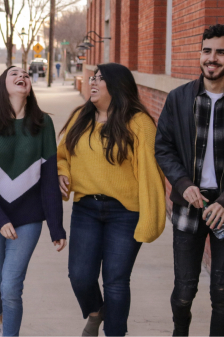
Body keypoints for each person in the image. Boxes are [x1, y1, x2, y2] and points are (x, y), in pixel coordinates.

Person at [154, 24, 224, 336]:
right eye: (207, 51)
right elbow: (163, 148)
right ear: (200, 53)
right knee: (184, 291)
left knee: (221, 292)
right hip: (189, 206)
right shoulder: (178, 99)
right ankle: (180, 332)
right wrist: (182, 183)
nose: (212, 58)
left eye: (220, 52)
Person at [57, 63, 166, 336]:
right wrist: (62, 173)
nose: (92, 82)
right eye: (92, 77)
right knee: (80, 276)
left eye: (100, 79)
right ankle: (96, 313)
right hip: (86, 209)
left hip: (125, 213)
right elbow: (62, 156)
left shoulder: (139, 123)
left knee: (116, 282)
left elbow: (152, 174)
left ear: (117, 86)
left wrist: (151, 220)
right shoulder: (80, 117)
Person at [0, 66, 67, 337]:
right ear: (3, 84)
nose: (21, 76)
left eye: (25, 74)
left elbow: (50, 180)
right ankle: (0, 324)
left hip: (28, 219)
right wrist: (0, 220)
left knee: (11, 288)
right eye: (14, 73)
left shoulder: (43, 124)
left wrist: (56, 227)